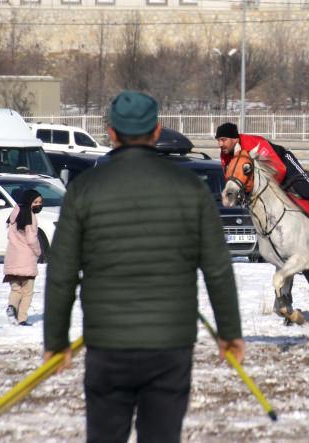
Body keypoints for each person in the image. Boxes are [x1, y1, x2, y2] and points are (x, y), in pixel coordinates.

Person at [44, 91, 243, 443]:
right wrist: (229, 331)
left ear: (110, 132)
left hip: (108, 344)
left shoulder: (84, 188)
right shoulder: (189, 187)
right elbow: (217, 267)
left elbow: (61, 273)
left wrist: (55, 340)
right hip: (170, 345)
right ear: (156, 131)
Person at [215, 122, 309, 221]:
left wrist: (277, 190)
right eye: (218, 140)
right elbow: (231, 179)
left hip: (284, 165)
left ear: (234, 139)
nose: (219, 144)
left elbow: (279, 169)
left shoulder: (254, 144)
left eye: (223, 140)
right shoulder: (225, 155)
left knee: (307, 191)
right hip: (269, 178)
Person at [4, 189, 43, 326]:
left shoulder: (15, 213)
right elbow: (31, 239)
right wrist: (38, 251)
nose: (38, 205)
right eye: (35, 202)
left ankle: (11, 307)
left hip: (12, 258)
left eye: (40, 202)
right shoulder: (30, 216)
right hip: (26, 260)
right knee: (27, 292)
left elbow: (9, 234)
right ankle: (22, 318)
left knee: (16, 289)